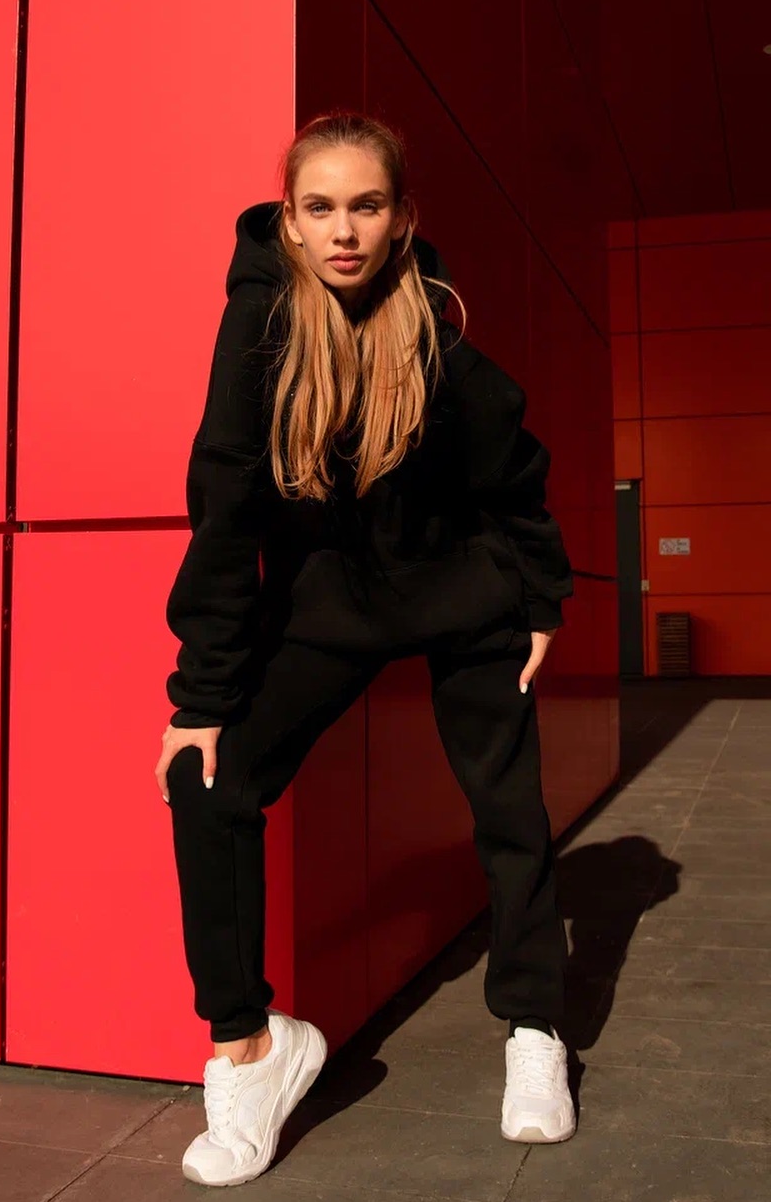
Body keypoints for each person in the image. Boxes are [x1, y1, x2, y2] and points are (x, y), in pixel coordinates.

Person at [154, 111, 577, 1188]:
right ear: (290, 221)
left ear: (402, 218)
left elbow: (511, 467)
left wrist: (540, 597)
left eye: (367, 206)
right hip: (331, 603)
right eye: (322, 207)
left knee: (509, 811)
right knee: (207, 779)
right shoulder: (259, 324)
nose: (344, 230)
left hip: (463, 591)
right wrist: (203, 696)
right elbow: (225, 504)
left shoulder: (432, 323)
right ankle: (249, 1049)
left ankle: (535, 1028)